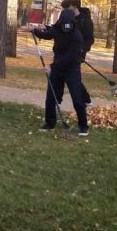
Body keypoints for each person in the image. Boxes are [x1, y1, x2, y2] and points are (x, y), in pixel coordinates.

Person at [33, 8, 89, 136]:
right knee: (51, 97)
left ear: (73, 23)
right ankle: (50, 123)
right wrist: (35, 31)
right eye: (63, 23)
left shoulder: (77, 36)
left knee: (77, 98)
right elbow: (47, 35)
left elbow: (70, 57)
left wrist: (51, 66)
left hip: (72, 69)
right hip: (57, 69)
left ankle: (83, 126)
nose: (66, 26)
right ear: (60, 22)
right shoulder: (57, 29)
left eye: (68, 23)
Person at [61, 0, 95, 107]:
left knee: (70, 77)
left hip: (78, 54)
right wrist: (45, 29)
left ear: (75, 6)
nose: (66, 10)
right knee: (67, 77)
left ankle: (85, 100)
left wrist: (82, 49)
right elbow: (58, 29)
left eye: (68, 7)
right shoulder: (66, 17)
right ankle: (86, 100)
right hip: (65, 52)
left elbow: (90, 38)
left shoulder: (85, 20)